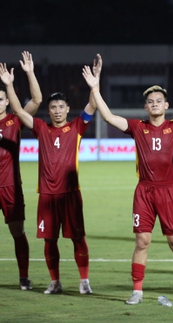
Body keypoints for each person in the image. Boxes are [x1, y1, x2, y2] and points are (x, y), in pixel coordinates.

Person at [82, 58, 173, 305]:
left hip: (169, 191)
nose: (154, 104)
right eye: (150, 102)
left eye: (158, 101)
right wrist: (95, 88)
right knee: (142, 241)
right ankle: (137, 291)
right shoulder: (137, 127)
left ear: (166, 105)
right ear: (145, 107)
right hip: (144, 191)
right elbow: (108, 116)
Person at [0, 54, 101, 295]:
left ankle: (84, 281)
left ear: (67, 109)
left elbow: (92, 106)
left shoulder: (77, 126)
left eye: (61, 107)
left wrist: (95, 85)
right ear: (49, 110)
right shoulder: (40, 129)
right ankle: (54, 282)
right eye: (53, 107)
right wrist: (11, 84)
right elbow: (18, 110)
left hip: (70, 195)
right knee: (49, 241)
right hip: (46, 196)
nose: (57, 111)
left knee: (78, 238)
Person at [0, 51, 42, 290]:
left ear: (7, 102)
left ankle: (23, 276)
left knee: (18, 232)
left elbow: (36, 100)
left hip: (10, 187)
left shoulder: (15, 121)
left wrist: (29, 72)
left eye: (0, 99)